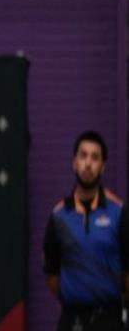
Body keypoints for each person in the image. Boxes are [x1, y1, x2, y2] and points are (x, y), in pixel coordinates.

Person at [43, 131, 129, 331]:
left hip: (110, 319)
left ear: (102, 166)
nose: (88, 163)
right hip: (72, 319)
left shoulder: (119, 213)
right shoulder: (59, 216)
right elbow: (51, 275)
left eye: (95, 157)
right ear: (74, 163)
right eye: (83, 156)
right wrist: (75, 296)